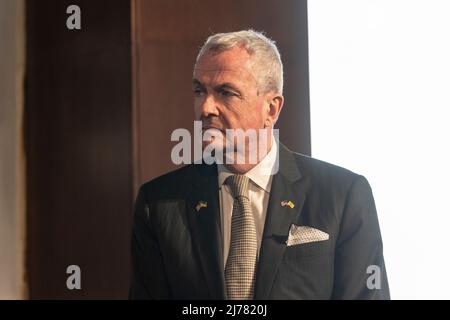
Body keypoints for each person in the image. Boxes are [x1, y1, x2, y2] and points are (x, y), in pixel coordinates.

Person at [129, 30, 390, 300]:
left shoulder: (342, 195)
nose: (205, 108)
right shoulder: (158, 204)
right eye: (199, 91)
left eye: (225, 93)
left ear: (271, 109)